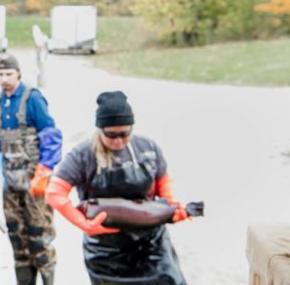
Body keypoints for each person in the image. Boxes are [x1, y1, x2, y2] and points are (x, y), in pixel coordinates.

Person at [45, 91, 189, 285]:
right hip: (107, 253)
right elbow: (55, 194)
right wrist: (84, 224)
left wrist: (172, 206)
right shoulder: (82, 155)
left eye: (125, 134)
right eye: (111, 135)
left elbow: (163, 182)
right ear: (100, 129)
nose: (118, 141)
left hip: (151, 246)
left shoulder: (147, 147)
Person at [0, 54, 63, 285]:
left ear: (18, 73)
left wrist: (44, 171)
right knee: (16, 238)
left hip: (35, 183)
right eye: (1, 75)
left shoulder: (33, 98)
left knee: (38, 237)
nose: (4, 79)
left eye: (9, 74)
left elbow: (51, 136)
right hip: (11, 184)